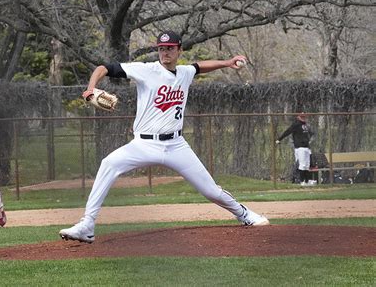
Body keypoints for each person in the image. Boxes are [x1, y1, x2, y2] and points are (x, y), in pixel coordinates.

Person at [59, 30, 269, 243]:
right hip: (143, 144)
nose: (165, 52)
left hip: (176, 144)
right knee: (108, 164)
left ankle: (244, 214)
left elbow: (199, 67)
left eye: (169, 48)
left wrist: (226, 62)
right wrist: (90, 88)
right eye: (161, 48)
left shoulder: (185, 73)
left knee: (211, 191)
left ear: (179, 50)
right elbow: (104, 68)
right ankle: (87, 224)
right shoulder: (145, 70)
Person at [276, 112, 315, 186]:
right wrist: (279, 139)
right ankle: (302, 181)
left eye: (304, 116)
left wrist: (309, 141)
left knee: (307, 165)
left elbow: (311, 133)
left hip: (306, 147)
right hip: (300, 147)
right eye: (302, 117)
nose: (303, 118)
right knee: (302, 165)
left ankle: (307, 181)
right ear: (298, 117)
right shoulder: (296, 125)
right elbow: (287, 131)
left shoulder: (306, 125)